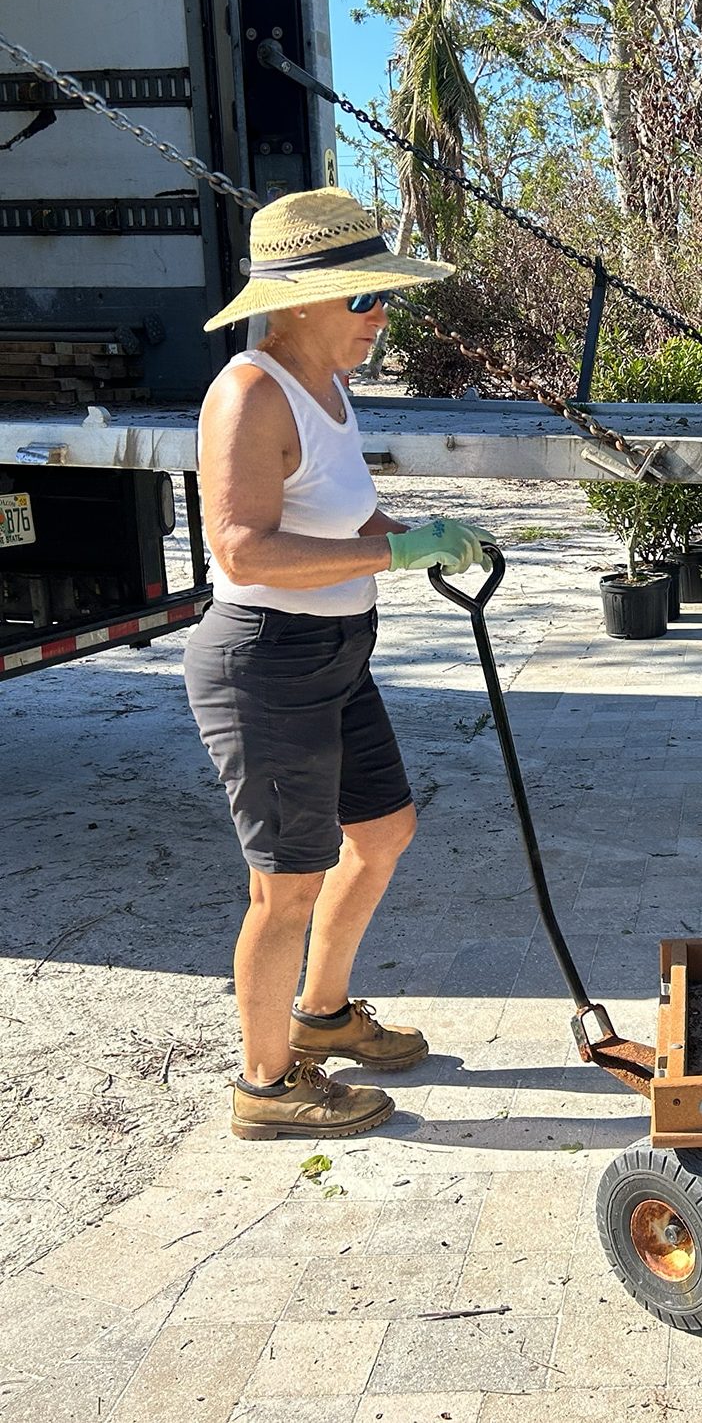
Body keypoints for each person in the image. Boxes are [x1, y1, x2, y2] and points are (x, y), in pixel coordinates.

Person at [186, 188, 495, 1140]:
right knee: (285, 887)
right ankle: (267, 1087)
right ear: (300, 300)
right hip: (265, 661)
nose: (380, 315)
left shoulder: (330, 390)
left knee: (385, 830)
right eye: (364, 299)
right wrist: (390, 556)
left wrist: (421, 537)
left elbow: (346, 518)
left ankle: (321, 1015)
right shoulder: (249, 392)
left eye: (380, 297)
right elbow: (241, 549)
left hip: (337, 651)